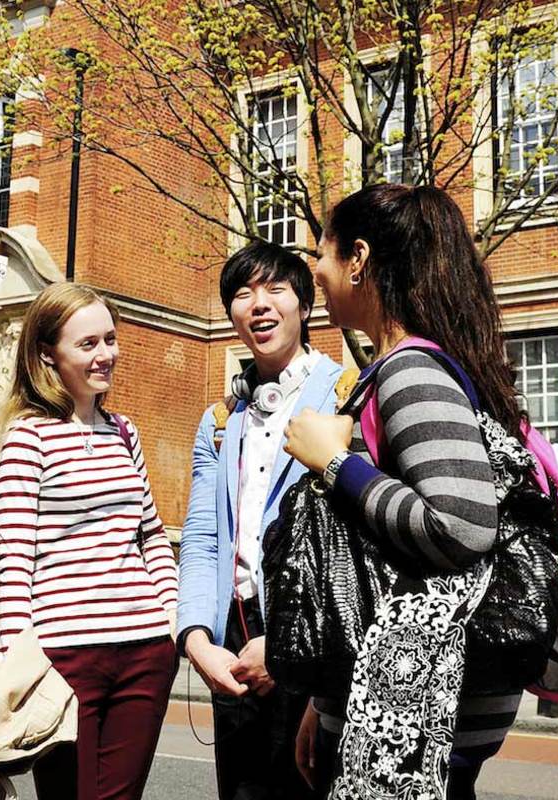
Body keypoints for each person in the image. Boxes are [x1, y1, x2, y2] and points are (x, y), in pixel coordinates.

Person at [284, 184, 519, 798]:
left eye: (324, 253)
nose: (316, 269)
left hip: (424, 717)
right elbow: (364, 565)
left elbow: (462, 525)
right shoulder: (403, 366)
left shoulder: (411, 369)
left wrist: (334, 463)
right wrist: (328, 695)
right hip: (398, 701)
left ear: (358, 260)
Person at [0, 282, 179, 800]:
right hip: (64, 656)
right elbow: (15, 556)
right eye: (88, 344)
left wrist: (170, 618)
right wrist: (14, 659)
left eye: (110, 340)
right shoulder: (28, 436)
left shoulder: (125, 431)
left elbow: (150, 534)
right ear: (48, 355)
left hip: (145, 650)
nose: (106, 355)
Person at [177, 242, 344, 800]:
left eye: (275, 289)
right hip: (234, 639)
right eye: (243, 294)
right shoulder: (221, 419)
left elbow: (357, 546)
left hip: (315, 641)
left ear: (304, 305)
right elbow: (201, 536)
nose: (259, 304)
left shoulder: (345, 395)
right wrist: (197, 639)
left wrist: (289, 644)